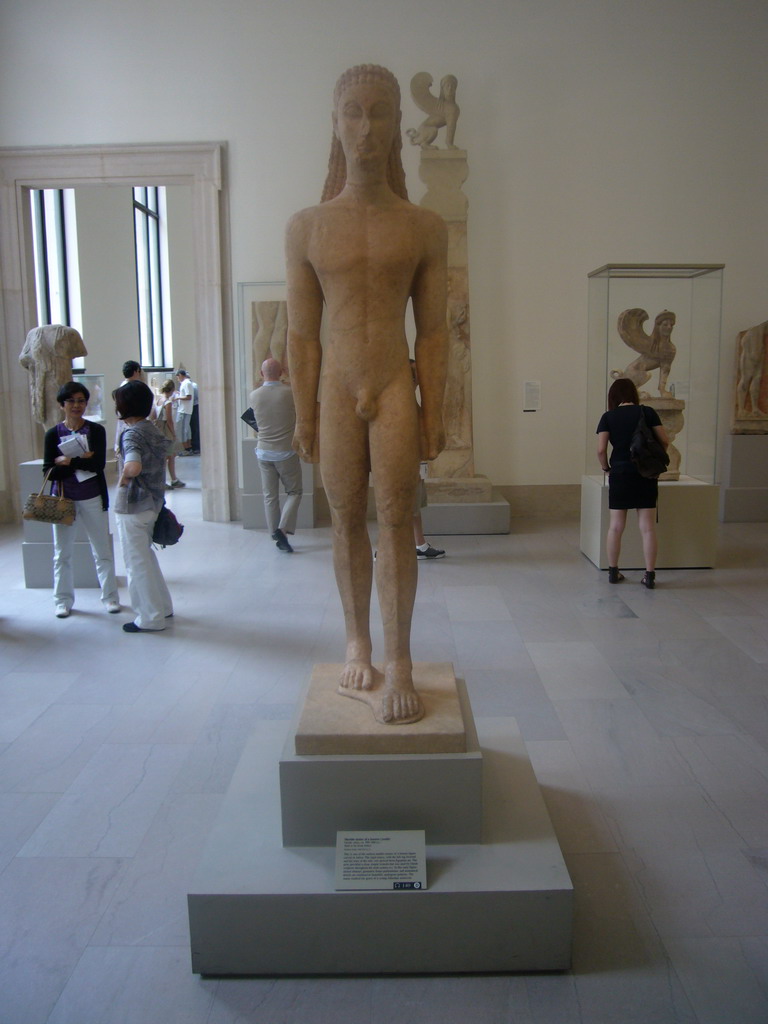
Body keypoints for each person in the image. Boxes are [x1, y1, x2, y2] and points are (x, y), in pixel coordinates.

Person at [286, 64, 448, 724]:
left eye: (380, 112)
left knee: (395, 516)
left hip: (389, 381)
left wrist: (433, 410)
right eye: (352, 112)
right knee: (347, 517)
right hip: (337, 384)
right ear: (334, 124)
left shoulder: (423, 225)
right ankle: (359, 642)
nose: (366, 126)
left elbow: (434, 333)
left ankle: (401, 657)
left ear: (396, 129)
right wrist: (303, 410)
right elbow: (302, 336)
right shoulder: (307, 226)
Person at [42, 381, 120, 618]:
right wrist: (78, 461)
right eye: (71, 401)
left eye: (81, 401)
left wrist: (68, 461)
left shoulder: (95, 431)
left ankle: (110, 597)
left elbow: (97, 466)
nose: (77, 406)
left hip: (92, 497)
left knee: (102, 550)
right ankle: (62, 600)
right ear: (62, 405)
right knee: (62, 552)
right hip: (63, 499)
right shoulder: (53, 434)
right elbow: (49, 471)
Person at [596, 378, 669, 589]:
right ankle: (649, 575)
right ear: (633, 394)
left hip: (619, 473)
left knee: (616, 526)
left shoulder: (608, 417)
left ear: (613, 397)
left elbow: (601, 450)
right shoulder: (647, 412)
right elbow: (664, 440)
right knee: (647, 527)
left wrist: (606, 468)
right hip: (645, 473)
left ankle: (613, 571)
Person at [113, 380, 173, 632]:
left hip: (135, 504)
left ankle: (150, 617)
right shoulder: (152, 429)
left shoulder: (132, 433)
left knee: (136, 563)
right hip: (154, 501)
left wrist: (123, 477)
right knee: (146, 558)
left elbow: (133, 464)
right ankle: (163, 607)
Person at [249, 357, 302, 552]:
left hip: (263, 451)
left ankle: (274, 532)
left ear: (262, 374)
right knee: (294, 492)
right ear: (281, 372)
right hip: (285, 451)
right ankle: (283, 528)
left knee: (269, 495)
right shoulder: (289, 393)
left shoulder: (254, 395)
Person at [409, 360, 445, 559]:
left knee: (414, 507)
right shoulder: (401, 404)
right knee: (400, 506)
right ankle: (391, 547)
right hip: (402, 466)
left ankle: (420, 544)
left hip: (413, 463)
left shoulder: (412, 403)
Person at [155, 379, 185, 489]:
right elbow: (169, 420)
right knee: (169, 456)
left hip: (159, 430)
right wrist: (173, 434)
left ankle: (172, 479)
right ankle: (171, 480)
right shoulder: (167, 403)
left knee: (167, 456)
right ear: (172, 390)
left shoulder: (158, 400)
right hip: (166, 432)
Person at [114, 359, 144, 458]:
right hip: (130, 425)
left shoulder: (123, 386)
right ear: (136, 371)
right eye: (139, 372)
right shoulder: (131, 388)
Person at [175, 369, 194, 454]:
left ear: (180, 375)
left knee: (182, 429)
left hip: (184, 410)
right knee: (186, 429)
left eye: (177, 377)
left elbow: (188, 397)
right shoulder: (186, 383)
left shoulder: (186, 383)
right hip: (185, 409)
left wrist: (177, 397)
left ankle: (186, 448)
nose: (177, 379)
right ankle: (188, 447)